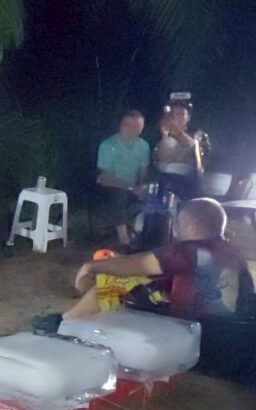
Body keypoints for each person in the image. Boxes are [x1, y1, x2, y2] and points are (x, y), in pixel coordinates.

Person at [32, 198, 251, 332]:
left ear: (192, 227)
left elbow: (135, 266)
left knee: (112, 284)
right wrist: (122, 260)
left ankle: (62, 323)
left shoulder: (186, 251)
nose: (177, 229)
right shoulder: (234, 255)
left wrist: (91, 267)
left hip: (187, 326)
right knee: (139, 279)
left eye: (180, 223)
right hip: (224, 329)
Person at [96, 111, 150, 248]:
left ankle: (148, 235)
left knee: (154, 193)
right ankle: (124, 240)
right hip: (110, 185)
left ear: (142, 128)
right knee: (119, 195)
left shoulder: (144, 146)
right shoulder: (108, 145)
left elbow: (143, 173)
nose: (131, 129)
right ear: (121, 125)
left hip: (132, 186)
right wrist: (131, 187)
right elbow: (106, 178)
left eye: (136, 126)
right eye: (128, 125)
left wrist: (143, 187)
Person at [153, 95, 204, 201]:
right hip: (162, 182)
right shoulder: (158, 134)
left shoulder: (197, 134)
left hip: (188, 186)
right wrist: (165, 134)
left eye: (182, 114)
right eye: (174, 115)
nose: (177, 118)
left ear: (188, 117)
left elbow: (194, 147)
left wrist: (176, 130)